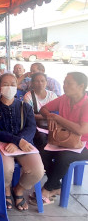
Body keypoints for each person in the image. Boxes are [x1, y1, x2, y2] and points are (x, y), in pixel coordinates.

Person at [0, 73, 44, 211]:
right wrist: (16, 140)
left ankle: (18, 190)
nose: (9, 87)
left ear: (17, 86)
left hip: (24, 145)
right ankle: (6, 190)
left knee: (37, 170)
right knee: (6, 169)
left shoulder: (25, 106)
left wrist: (19, 142)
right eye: (5, 84)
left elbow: (31, 127)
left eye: (12, 84)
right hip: (2, 145)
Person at [37, 72, 88, 204]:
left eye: (68, 83)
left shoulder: (86, 104)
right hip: (63, 140)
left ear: (81, 86)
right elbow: (44, 108)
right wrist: (49, 115)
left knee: (64, 157)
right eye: (64, 82)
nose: (64, 86)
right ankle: (57, 186)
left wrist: (57, 118)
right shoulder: (65, 98)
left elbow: (81, 130)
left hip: (83, 145)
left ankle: (48, 189)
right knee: (42, 152)